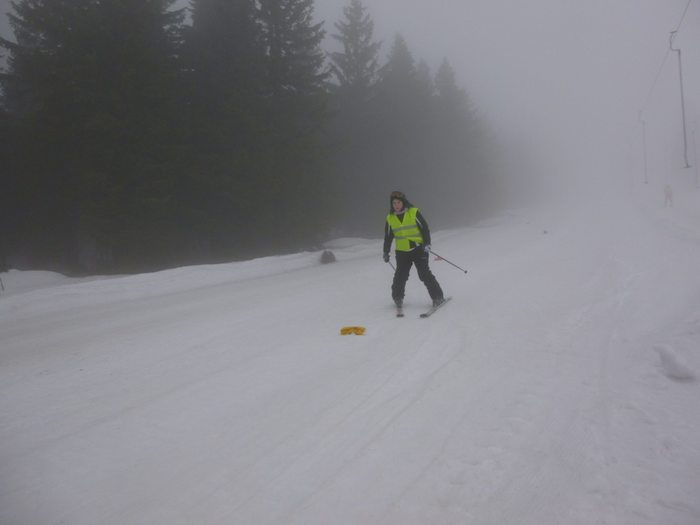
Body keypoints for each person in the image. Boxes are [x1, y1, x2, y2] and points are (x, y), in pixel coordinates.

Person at [383, 190, 445, 308]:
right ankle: (397, 297)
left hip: (418, 249)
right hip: (402, 252)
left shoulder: (413, 212)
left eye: (398, 202)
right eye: (394, 203)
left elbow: (424, 229)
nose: (396, 205)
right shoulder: (390, 218)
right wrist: (385, 251)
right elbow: (388, 237)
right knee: (400, 275)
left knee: (424, 273)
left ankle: (438, 297)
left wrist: (427, 244)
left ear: (403, 202)